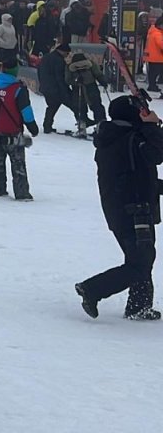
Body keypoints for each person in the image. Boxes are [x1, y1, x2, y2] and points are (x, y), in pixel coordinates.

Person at [76, 95, 163, 321]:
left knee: (142, 257)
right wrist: (153, 127)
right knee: (139, 263)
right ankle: (93, 289)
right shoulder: (131, 139)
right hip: (133, 209)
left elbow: (138, 175)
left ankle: (139, 306)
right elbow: (157, 154)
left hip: (123, 207)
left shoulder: (116, 137)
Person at [0, 58, 40, 200]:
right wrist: (33, 128)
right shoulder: (18, 89)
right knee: (18, 164)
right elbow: (26, 111)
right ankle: (21, 192)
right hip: (12, 132)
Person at [66, 51, 108, 135]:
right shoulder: (91, 64)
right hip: (91, 88)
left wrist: (75, 82)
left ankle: (82, 128)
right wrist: (103, 82)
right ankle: (101, 127)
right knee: (97, 107)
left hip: (77, 89)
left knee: (80, 108)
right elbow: (98, 74)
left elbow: (67, 80)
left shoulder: (69, 67)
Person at [40, 44, 75, 133]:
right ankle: (82, 122)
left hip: (45, 87)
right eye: (67, 53)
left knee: (52, 106)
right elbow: (60, 78)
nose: (67, 56)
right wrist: (65, 91)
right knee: (73, 104)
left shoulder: (45, 57)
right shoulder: (59, 60)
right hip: (56, 88)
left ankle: (47, 126)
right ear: (62, 51)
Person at [146, 18, 163, 93]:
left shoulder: (152, 31)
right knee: (156, 72)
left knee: (152, 72)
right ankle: (152, 86)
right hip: (157, 57)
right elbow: (161, 44)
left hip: (152, 56)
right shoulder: (157, 34)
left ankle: (152, 85)